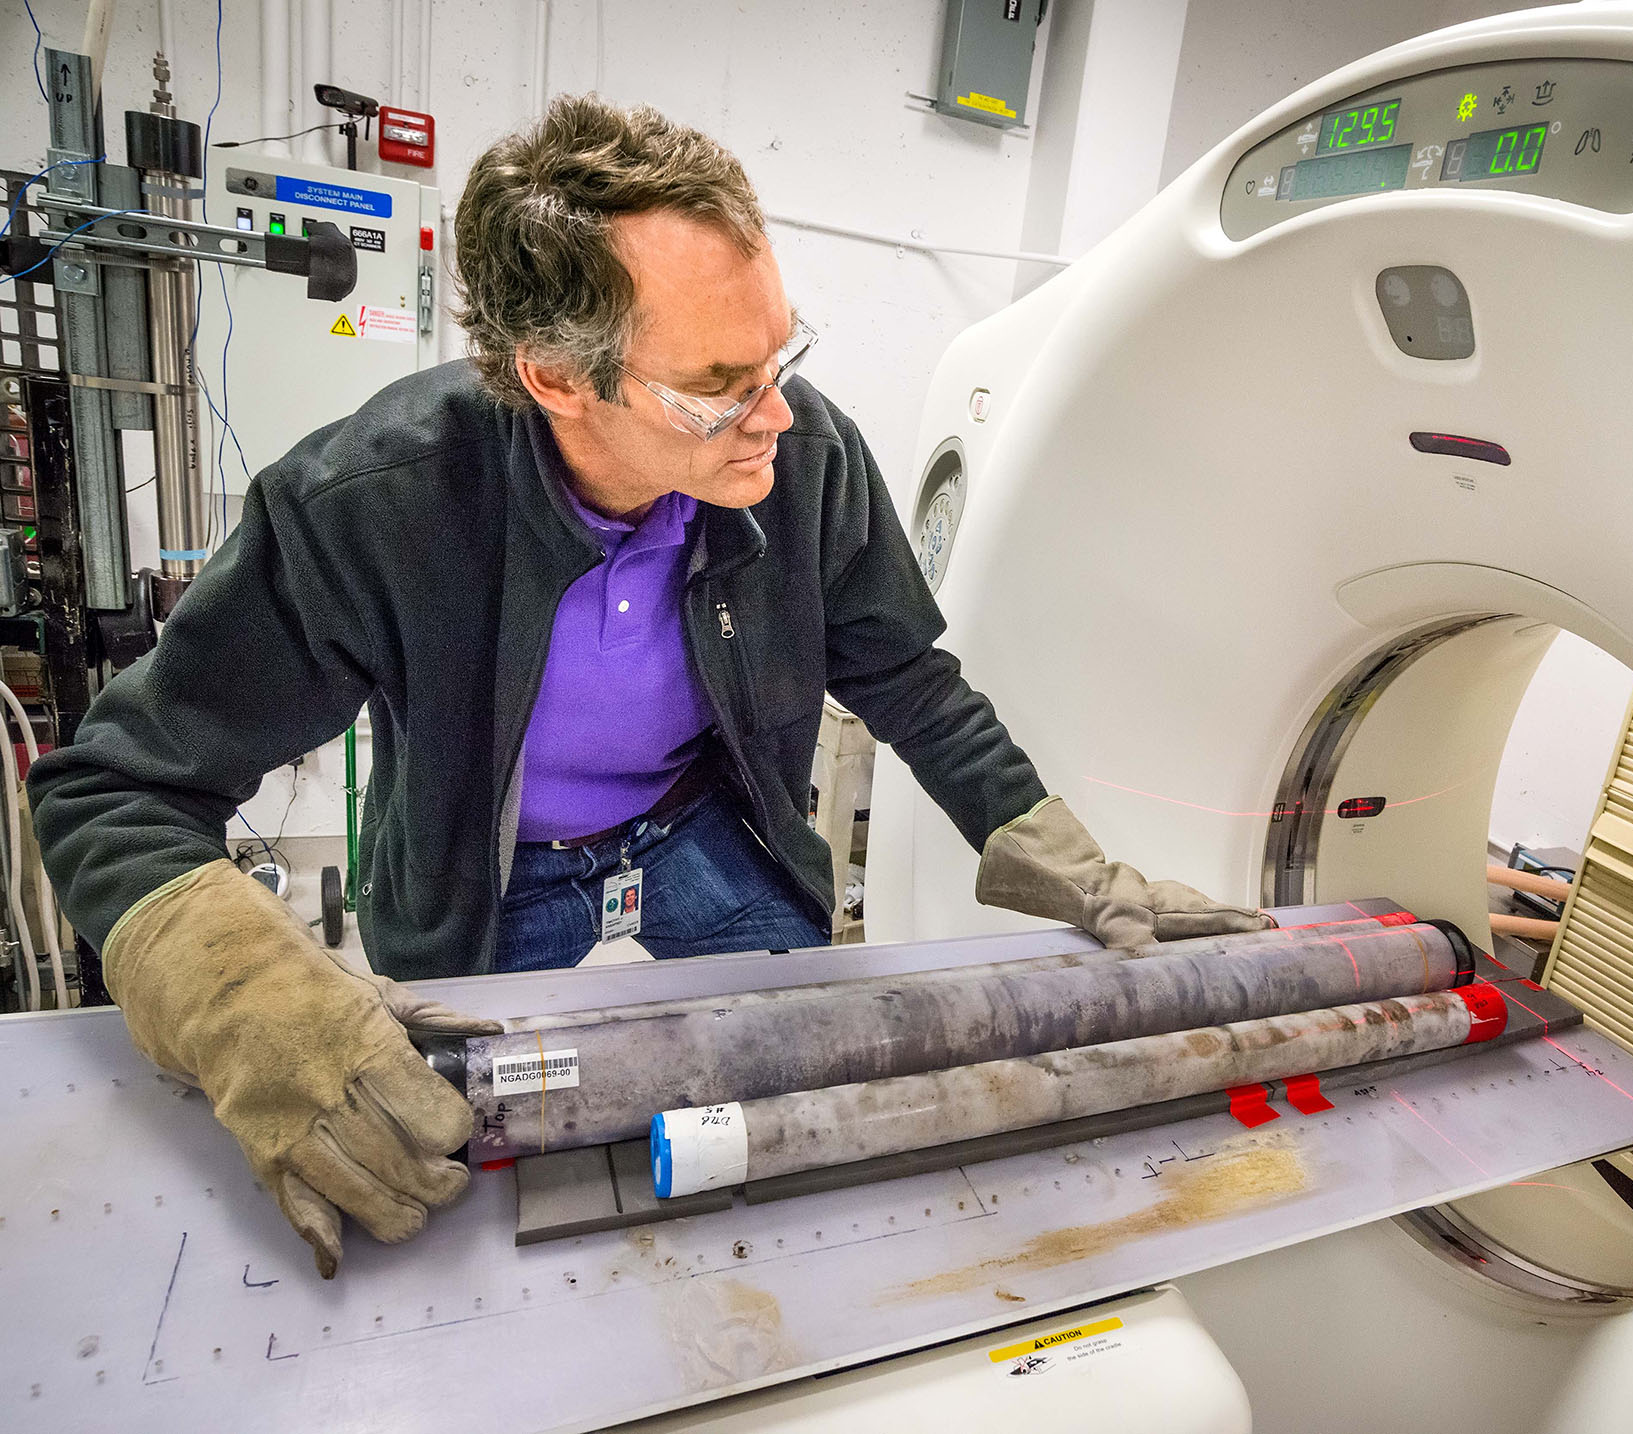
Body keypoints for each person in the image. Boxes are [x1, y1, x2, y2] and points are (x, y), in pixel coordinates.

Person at [27, 97, 1269, 1278]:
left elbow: (902, 673)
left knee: (804, 1085)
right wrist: (244, 1004)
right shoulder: (377, 506)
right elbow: (112, 793)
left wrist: (1056, 851)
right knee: (458, 1156)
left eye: (779, 357)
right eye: (719, 383)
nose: (774, 414)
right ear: (560, 378)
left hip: (702, 831)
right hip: (490, 863)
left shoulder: (804, 453)